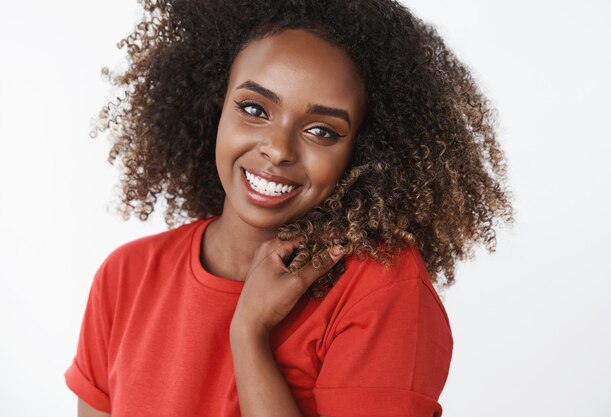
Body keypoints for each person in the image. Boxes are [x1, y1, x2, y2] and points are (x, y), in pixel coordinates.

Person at [65, 0, 514, 416]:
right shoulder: (126, 276)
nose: (278, 149)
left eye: (322, 131)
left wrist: (249, 335)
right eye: (254, 108)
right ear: (213, 104)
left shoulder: (381, 291)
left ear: (365, 149)